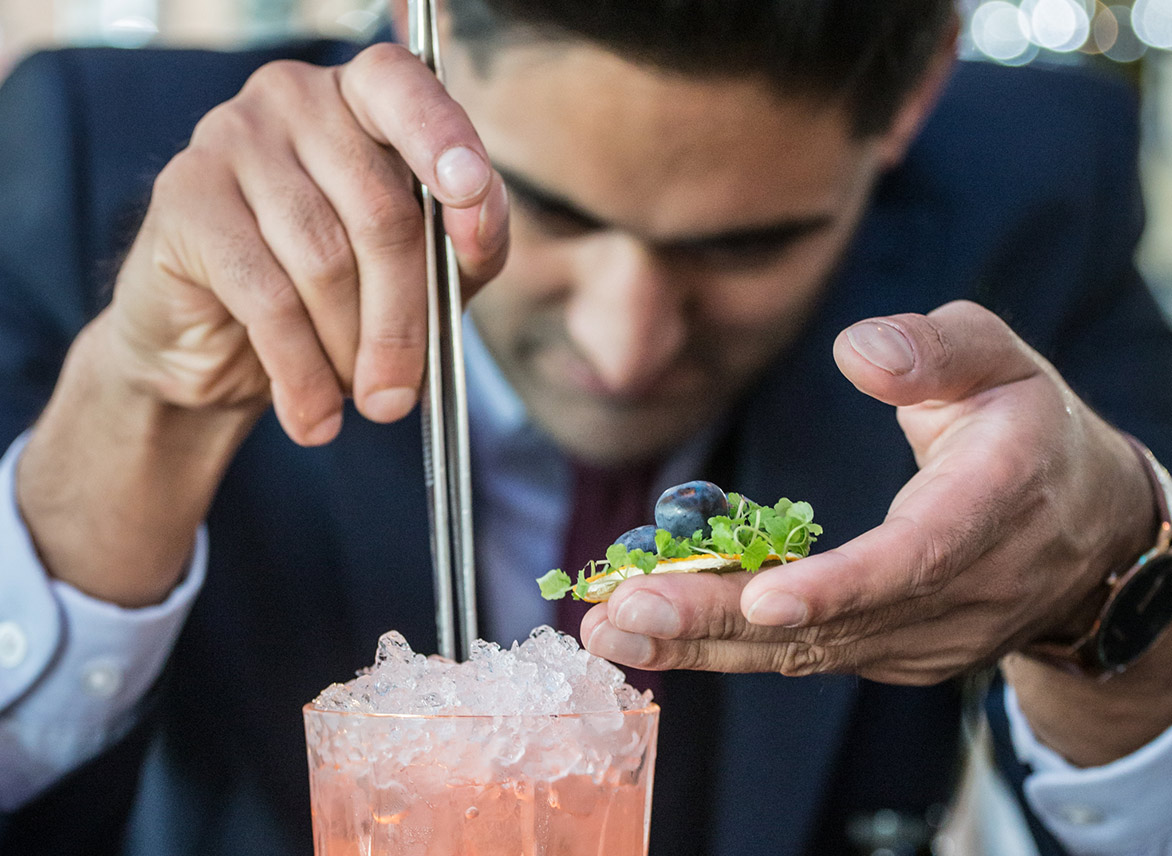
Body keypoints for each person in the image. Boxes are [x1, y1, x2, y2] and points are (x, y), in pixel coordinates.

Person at [1, 1, 1172, 854]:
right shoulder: (94, 156)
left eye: (744, 244)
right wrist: (142, 405)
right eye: (547, 210)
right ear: (435, 43)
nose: (624, 347)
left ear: (913, 96)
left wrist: (1111, 616)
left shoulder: (1035, 201)